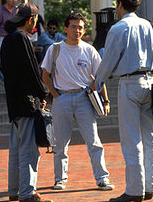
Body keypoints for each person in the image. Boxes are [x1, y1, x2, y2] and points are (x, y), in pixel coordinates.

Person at [91, 0, 153, 202]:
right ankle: (148, 187)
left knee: (131, 138)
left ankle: (135, 190)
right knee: (149, 137)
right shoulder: (151, 26)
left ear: (119, 5)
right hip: (150, 82)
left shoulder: (119, 28)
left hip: (129, 83)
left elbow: (108, 60)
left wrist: (98, 82)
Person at [41, 12, 115, 191]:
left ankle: (102, 178)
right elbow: (45, 76)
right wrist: (55, 95)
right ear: (65, 29)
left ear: (84, 30)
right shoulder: (55, 48)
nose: (77, 30)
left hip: (84, 98)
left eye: (80, 27)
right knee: (60, 143)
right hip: (62, 99)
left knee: (94, 141)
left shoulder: (89, 50)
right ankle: (60, 179)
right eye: (73, 27)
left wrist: (105, 100)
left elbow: (99, 78)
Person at [0, 3, 53, 202]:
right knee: (29, 150)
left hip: (13, 102)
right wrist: (44, 93)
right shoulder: (21, 38)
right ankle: (27, 192)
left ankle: (15, 190)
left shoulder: (7, 39)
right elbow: (31, 70)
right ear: (31, 20)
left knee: (16, 147)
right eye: (35, 21)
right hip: (26, 101)